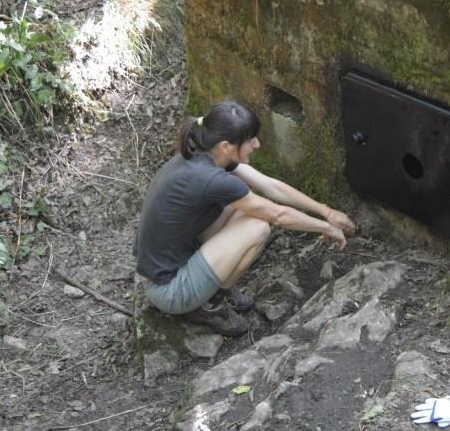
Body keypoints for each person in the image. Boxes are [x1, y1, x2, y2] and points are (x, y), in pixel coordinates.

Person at [134, 100, 356, 336]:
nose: (257, 144)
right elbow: (278, 215)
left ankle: (213, 289)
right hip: (169, 290)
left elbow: (271, 187)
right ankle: (211, 303)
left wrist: (327, 211)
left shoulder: (204, 150)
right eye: (250, 140)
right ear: (226, 146)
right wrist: (327, 227)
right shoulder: (211, 179)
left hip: (167, 265)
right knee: (258, 227)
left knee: (244, 208)